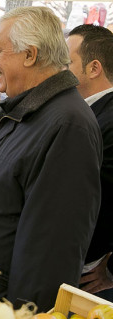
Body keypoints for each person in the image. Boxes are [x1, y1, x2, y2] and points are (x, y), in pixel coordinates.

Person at [0, 7, 102, 311]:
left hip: (3, 315)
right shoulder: (27, 112)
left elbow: (51, 251)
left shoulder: (67, 125)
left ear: (30, 55)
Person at [67, 24, 113, 299]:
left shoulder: (107, 120)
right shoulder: (88, 113)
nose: (60, 68)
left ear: (93, 68)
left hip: (93, 278)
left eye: (67, 61)